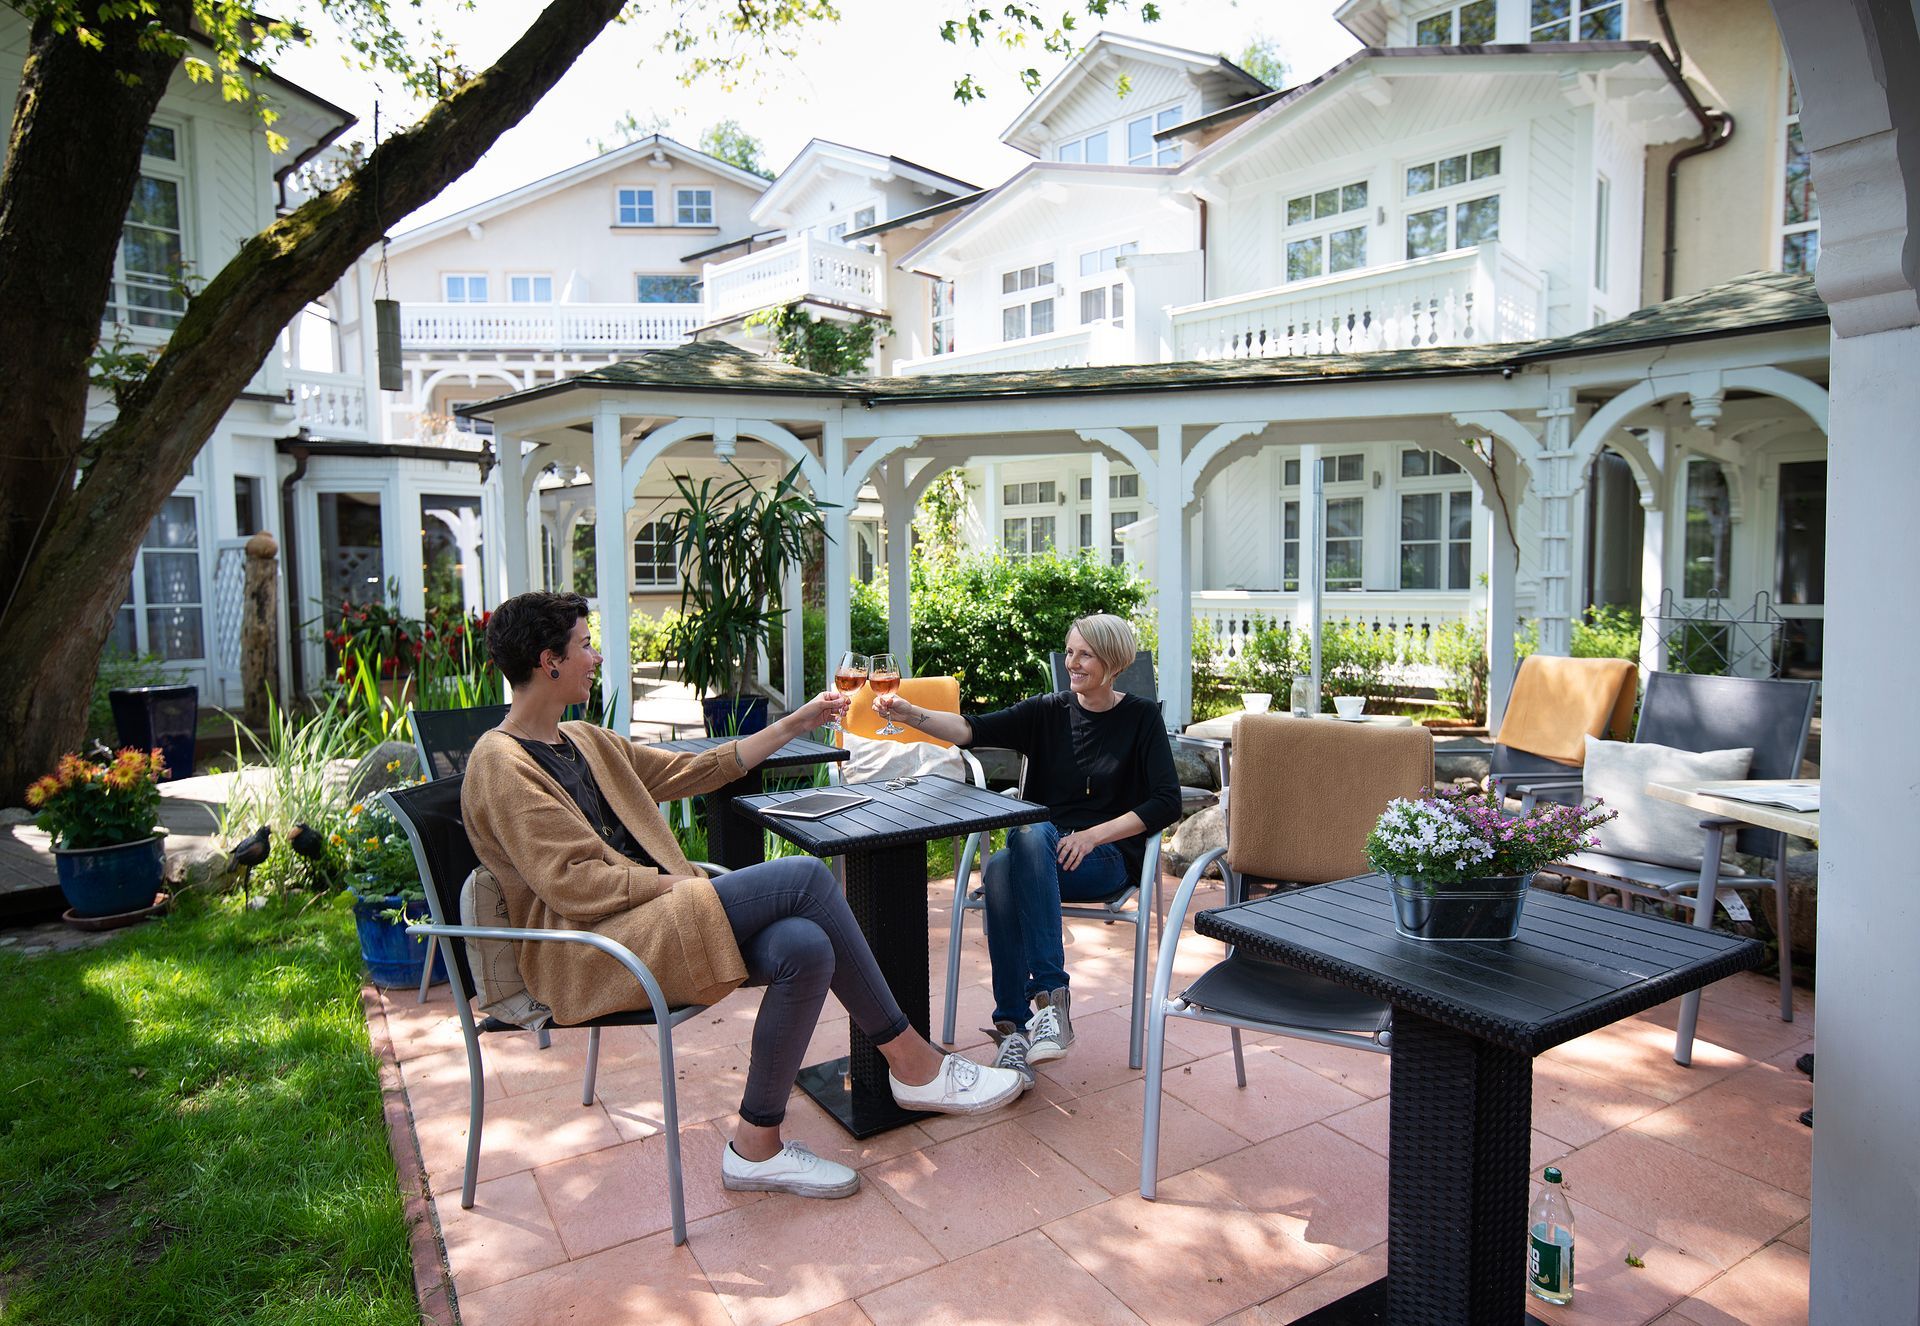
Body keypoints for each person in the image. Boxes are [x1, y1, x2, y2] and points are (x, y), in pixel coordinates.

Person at [461, 591, 1024, 1201]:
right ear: (548, 660)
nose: (594, 658)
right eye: (584, 646)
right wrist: (684, 886)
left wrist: (796, 722)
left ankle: (756, 1148)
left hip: (646, 920)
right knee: (807, 879)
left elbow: (688, 771)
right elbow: (574, 883)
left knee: (803, 945)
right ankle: (913, 1064)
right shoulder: (501, 763)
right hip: (588, 949)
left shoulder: (582, 740)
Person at [873, 614, 1179, 1081]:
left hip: (1104, 857)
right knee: (1004, 863)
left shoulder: (1140, 718)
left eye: (1085, 655)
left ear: (1113, 661)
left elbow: (1166, 801)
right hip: (1041, 853)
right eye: (1069, 651)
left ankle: (1045, 1000)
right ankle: (1018, 1026)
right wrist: (910, 714)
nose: (1072, 663)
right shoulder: (1046, 711)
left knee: (1024, 837)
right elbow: (971, 729)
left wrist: (1093, 835)